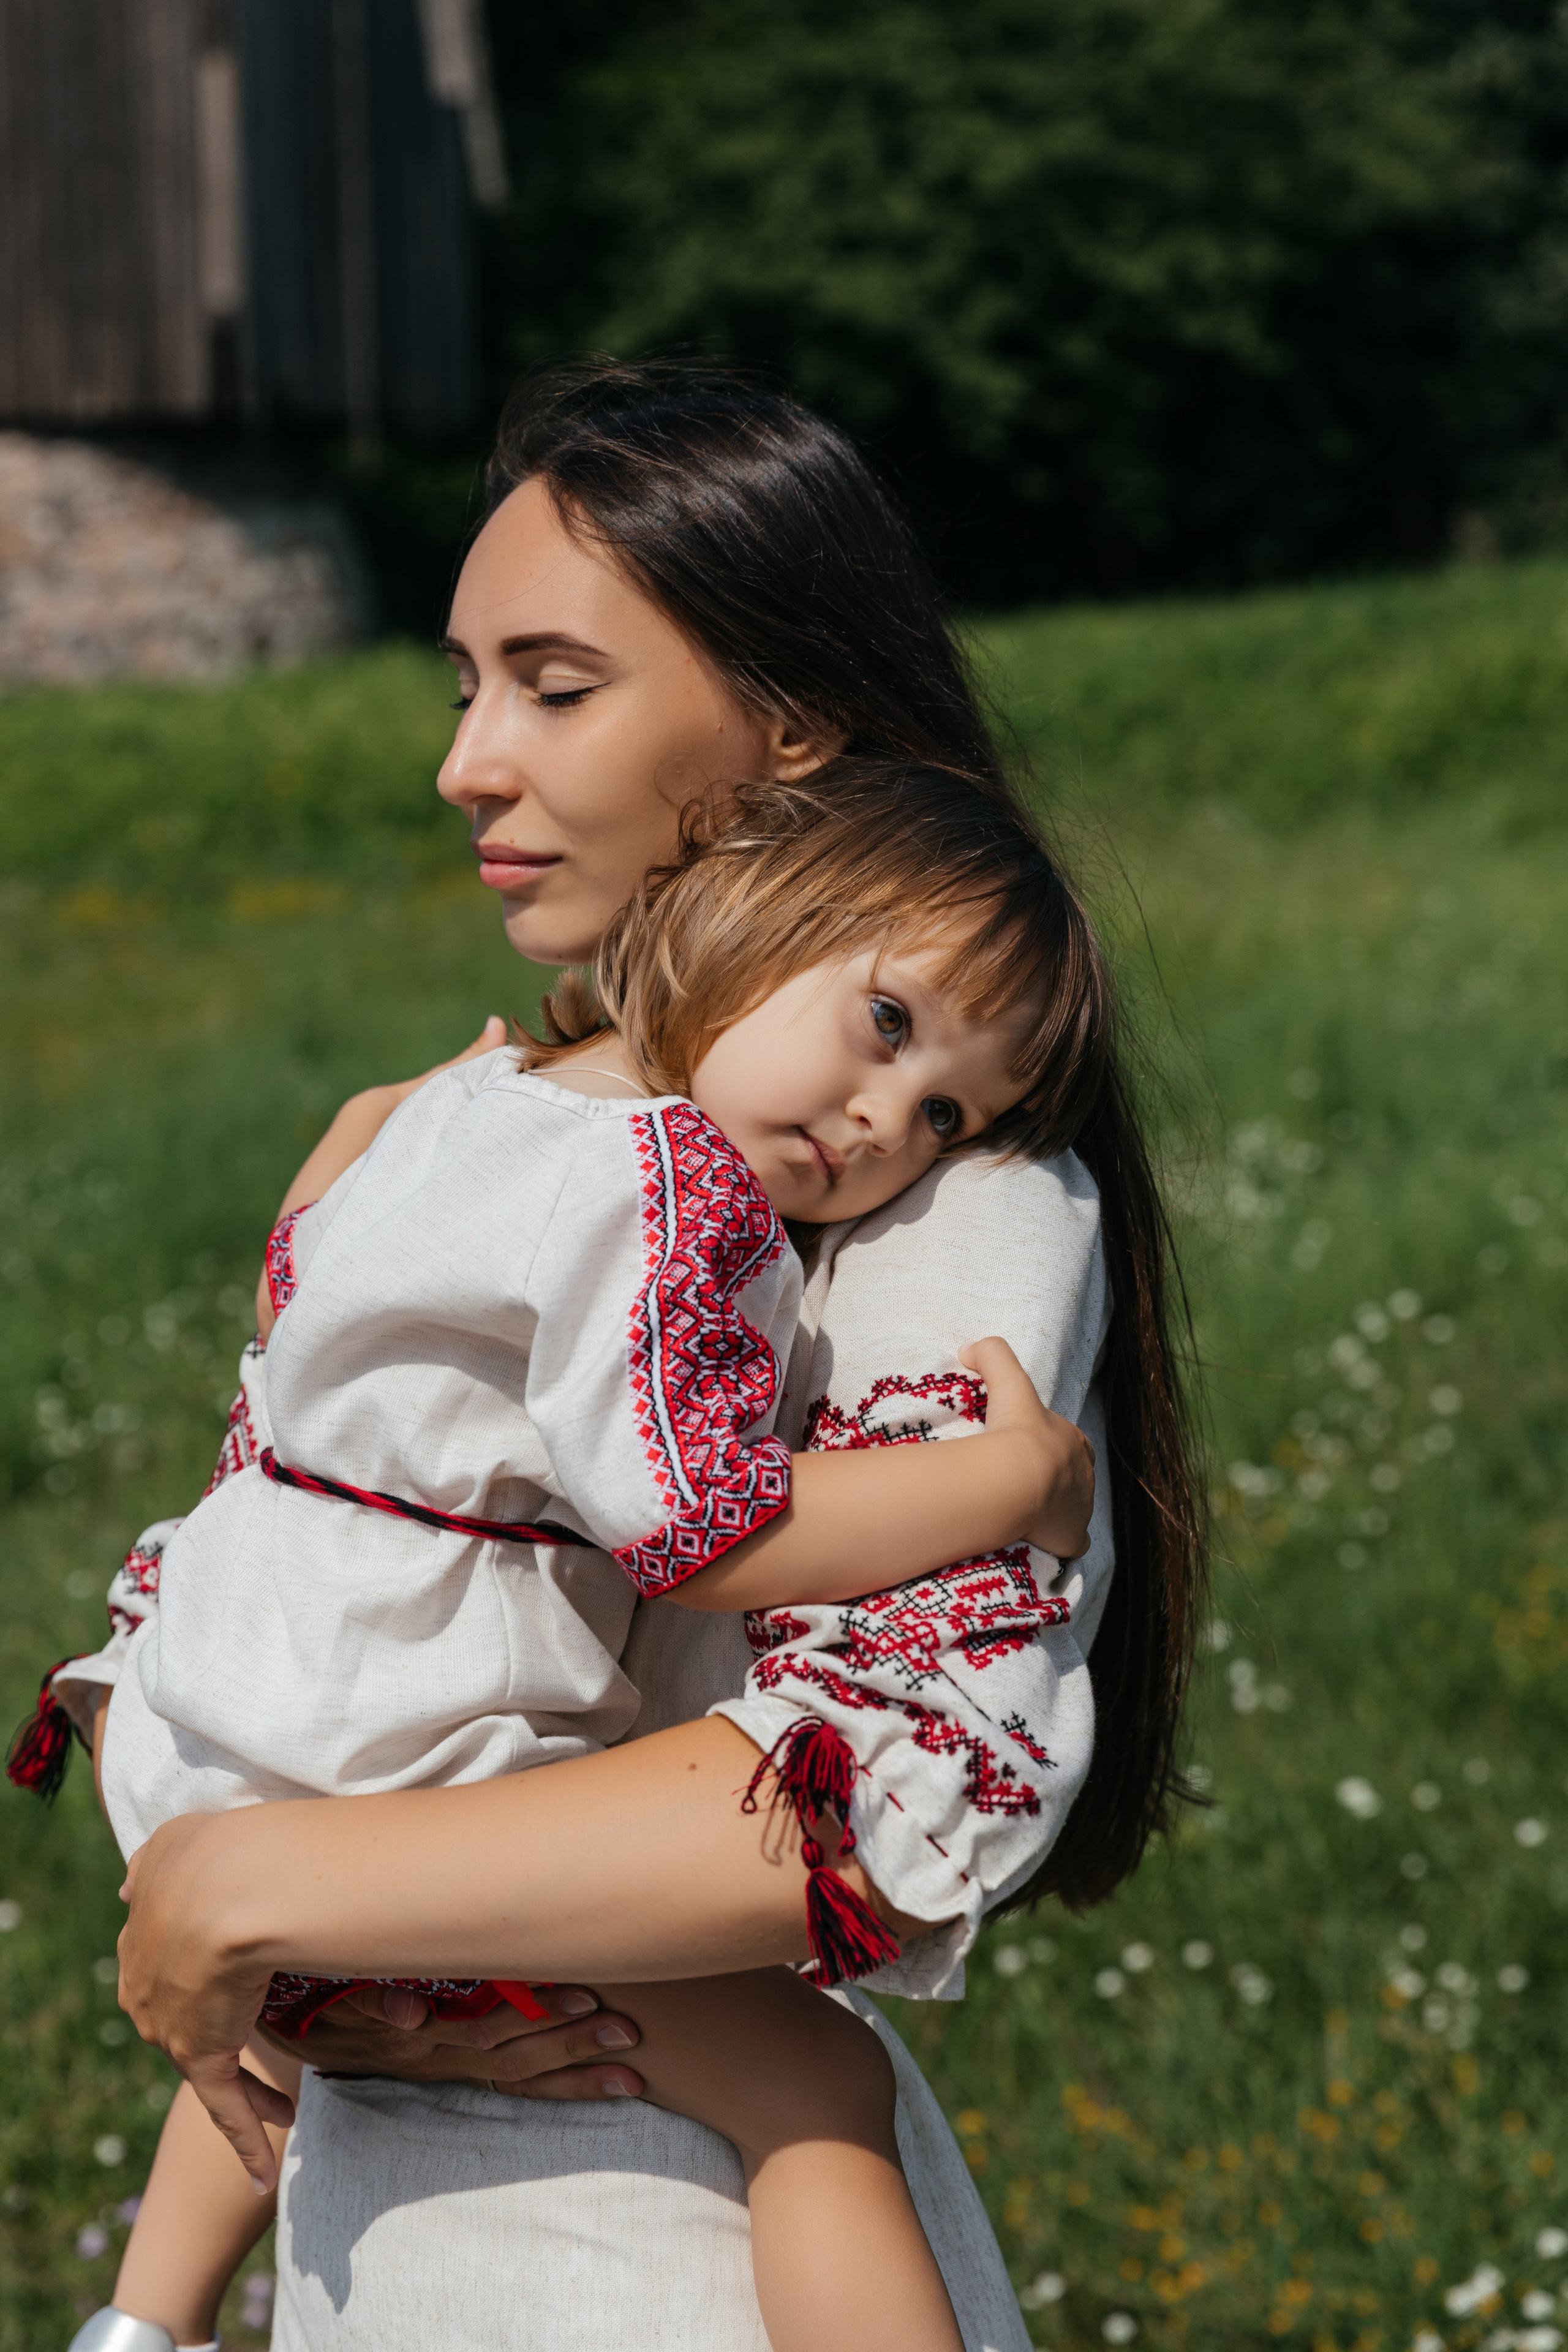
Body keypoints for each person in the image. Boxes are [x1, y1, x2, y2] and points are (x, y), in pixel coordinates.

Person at [31, 360, 1203, 2352]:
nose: (469, 764)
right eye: (465, 686)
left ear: (788, 749)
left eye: (553, 687)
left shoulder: (938, 1212)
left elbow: (860, 1804)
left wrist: (267, 1893)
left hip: (653, 2253)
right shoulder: (557, 1133)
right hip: (409, 2225)